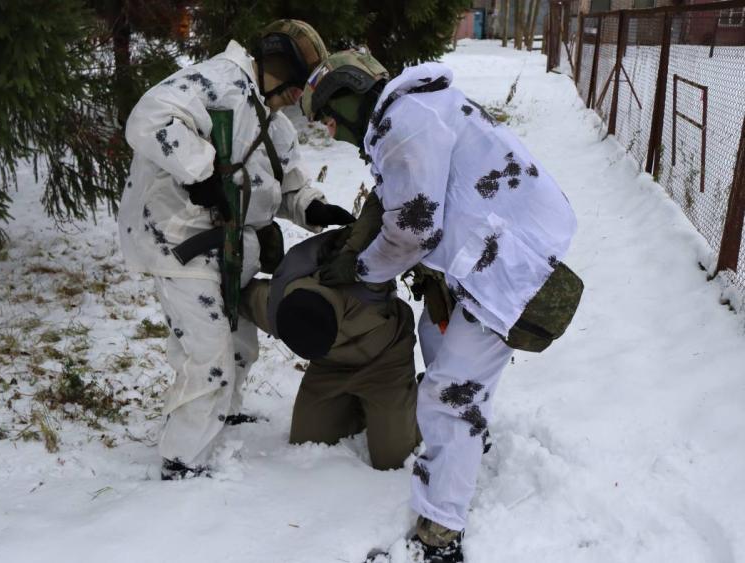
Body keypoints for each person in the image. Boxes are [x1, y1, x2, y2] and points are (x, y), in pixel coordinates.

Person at [301, 50, 580, 561]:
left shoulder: (405, 123)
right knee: (436, 334)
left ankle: (440, 533)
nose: (329, 129)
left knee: (449, 395)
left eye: (327, 116)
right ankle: (468, 449)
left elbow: (412, 228)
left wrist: (363, 270)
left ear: (347, 95)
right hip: (495, 245)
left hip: (509, 269)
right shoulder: (416, 108)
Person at [117, 20, 357, 481]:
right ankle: (182, 457)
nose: (296, 97)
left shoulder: (273, 120)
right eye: (296, 84)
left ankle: (222, 413)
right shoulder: (215, 82)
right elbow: (147, 119)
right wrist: (201, 172)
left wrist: (316, 208)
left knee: (241, 346)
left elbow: (286, 185)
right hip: (180, 239)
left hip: (232, 247)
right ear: (277, 63)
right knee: (209, 356)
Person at [239, 227, 419, 471]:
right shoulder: (277, 306)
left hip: (385, 364)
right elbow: (238, 296)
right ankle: (359, 408)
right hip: (329, 368)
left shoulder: (369, 295)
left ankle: (417, 406)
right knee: (307, 441)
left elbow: (399, 233)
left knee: (393, 460)